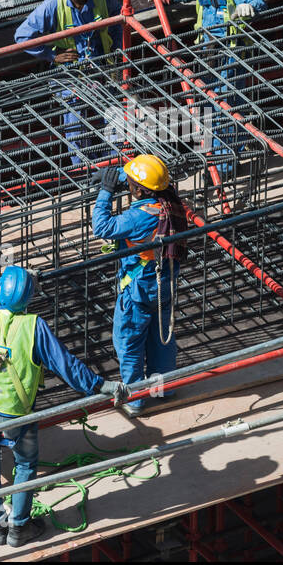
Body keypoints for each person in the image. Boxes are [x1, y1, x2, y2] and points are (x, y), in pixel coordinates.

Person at [0, 266, 122, 546]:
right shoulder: (33, 326)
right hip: (13, 413)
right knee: (24, 465)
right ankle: (19, 527)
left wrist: (4, 282)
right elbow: (66, 365)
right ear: (30, 298)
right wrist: (100, 386)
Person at [151, 0, 266, 178]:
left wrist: (249, 7)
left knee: (226, 106)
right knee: (208, 106)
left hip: (230, 53)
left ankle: (224, 168)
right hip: (207, 51)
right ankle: (221, 158)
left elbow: (256, 1)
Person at [91, 154, 186, 416]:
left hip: (138, 290)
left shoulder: (139, 218)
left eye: (131, 183)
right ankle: (162, 389)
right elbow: (145, 181)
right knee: (161, 341)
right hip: (164, 283)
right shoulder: (167, 199)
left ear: (140, 189)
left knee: (130, 343)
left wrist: (105, 193)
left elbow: (102, 226)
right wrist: (117, 176)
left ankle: (135, 401)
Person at [14, 0, 123, 166]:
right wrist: (52, 55)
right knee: (76, 128)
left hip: (100, 69)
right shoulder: (54, 5)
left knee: (113, 121)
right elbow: (22, 36)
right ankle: (84, 174)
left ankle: (114, 166)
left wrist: (117, 49)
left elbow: (118, 19)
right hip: (71, 76)